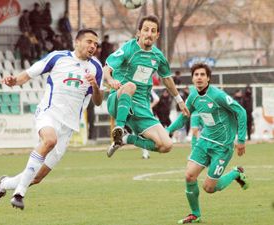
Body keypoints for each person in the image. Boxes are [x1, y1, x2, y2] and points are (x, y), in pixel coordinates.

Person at [0, 29, 104, 210]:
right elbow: (29, 74)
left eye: (95, 44)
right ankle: (19, 194)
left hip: (69, 125)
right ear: (77, 42)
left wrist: (95, 86)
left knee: (37, 177)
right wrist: (13, 81)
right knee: (49, 140)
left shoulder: (96, 68)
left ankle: (3, 185)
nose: (93, 46)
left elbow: (97, 102)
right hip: (48, 113)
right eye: (89, 42)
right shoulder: (58, 57)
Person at [166, 63, 249, 224]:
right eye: (196, 75)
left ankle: (236, 173)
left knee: (209, 188)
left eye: (202, 75)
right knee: (189, 176)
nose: (199, 77)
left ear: (208, 78)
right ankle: (195, 215)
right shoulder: (193, 97)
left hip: (222, 147)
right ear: (192, 78)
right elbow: (184, 117)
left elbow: (241, 111)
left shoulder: (217, 95)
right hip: (204, 142)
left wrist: (241, 139)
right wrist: (167, 130)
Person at [103, 15, 189, 158]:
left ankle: (125, 139)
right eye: (146, 30)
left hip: (141, 107)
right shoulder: (128, 48)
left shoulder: (158, 56)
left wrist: (180, 101)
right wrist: (110, 79)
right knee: (130, 85)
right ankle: (119, 128)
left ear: (157, 35)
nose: (149, 34)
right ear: (139, 32)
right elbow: (107, 68)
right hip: (119, 100)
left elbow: (167, 78)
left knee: (166, 145)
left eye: (153, 31)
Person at [141, 89, 160, 159]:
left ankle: (145, 152)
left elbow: (157, 99)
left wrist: (150, 106)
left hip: (143, 113)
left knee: (143, 134)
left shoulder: (149, 90)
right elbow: (157, 99)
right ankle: (146, 152)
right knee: (145, 134)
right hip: (147, 113)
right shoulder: (148, 89)